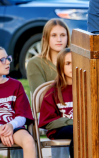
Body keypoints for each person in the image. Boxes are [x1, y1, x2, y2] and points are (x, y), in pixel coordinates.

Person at [26, 18, 70, 158]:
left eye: (63, 35)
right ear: (45, 38)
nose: (59, 39)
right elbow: (42, 96)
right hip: (51, 115)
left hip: (75, 110)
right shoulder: (35, 63)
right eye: (54, 35)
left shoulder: (76, 59)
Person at [0, 45, 35, 158]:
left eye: (8, 58)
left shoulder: (16, 85)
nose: (7, 62)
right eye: (2, 60)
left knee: (28, 141)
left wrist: (11, 125)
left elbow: (23, 115)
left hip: (14, 126)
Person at [39, 48, 73, 158]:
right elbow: (48, 121)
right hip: (61, 130)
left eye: (75, 63)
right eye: (68, 63)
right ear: (60, 67)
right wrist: (72, 122)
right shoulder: (52, 91)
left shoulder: (87, 88)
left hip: (83, 129)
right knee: (77, 131)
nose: (72, 66)